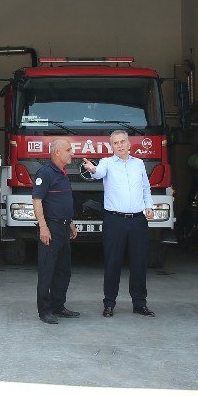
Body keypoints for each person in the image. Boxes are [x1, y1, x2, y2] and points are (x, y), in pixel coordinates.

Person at [81, 130, 155, 318]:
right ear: (111, 146)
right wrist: (92, 169)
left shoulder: (139, 164)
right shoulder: (107, 163)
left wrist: (149, 206)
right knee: (113, 262)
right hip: (115, 220)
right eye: (116, 143)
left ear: (129, 144)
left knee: (139, 262)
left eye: (123, 142)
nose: (120, 145)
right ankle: (109, 304)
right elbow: (98, 173)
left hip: (138, 220)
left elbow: (146, 188)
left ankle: (139, 303)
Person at [33, 137, 80, 324]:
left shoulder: (62, 172)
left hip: (63, 227)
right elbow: (37, 201)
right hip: (50, 228)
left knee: (63, 270)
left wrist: (70, 223)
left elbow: (61, 203)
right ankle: (45, 311)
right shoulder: (45, 173)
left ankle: (58, 306)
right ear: (57, 152)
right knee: (47, 270)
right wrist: (43, 227)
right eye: (69, 150)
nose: (72, 153)